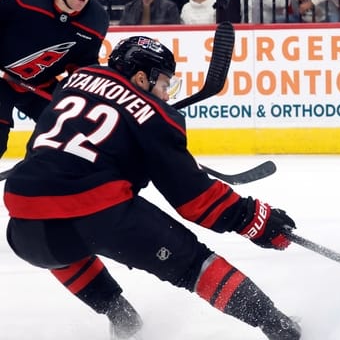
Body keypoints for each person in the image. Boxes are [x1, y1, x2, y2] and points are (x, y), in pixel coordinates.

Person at [3, 36, 301, 340]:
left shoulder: (77, 79)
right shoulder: (155, 116)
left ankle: (120, 316)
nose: (166, 94)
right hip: (99, 216)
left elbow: (52, 141)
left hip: (23, 228)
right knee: (195, 265)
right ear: (141, 77)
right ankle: (278, 326)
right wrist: (254, 219)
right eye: (164, 82)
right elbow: (196, 200)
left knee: (61, 234)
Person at [0, 0, 106, 159]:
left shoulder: (95, 21)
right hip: (1, 76)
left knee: (71, 138)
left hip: (39, 84)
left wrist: (86, 99)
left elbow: (83, 67)